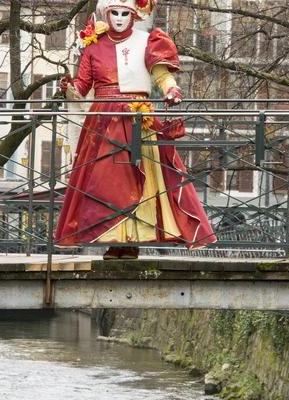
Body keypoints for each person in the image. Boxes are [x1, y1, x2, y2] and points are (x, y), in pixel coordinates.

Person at [54, 0, 216, 259]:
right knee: (105, 183)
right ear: (105, 14)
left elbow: (162, 75)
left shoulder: (148, 40)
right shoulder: (93, 44)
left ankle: (131, 240)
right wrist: (68, 87)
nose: (118, 19)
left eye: (124, 13)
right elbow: (82, 87)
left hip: (138, 117)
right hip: (103, 121)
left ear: (133, 15)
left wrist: (171, 90)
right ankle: (114, 240)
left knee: (142, 180)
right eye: (114, 13)